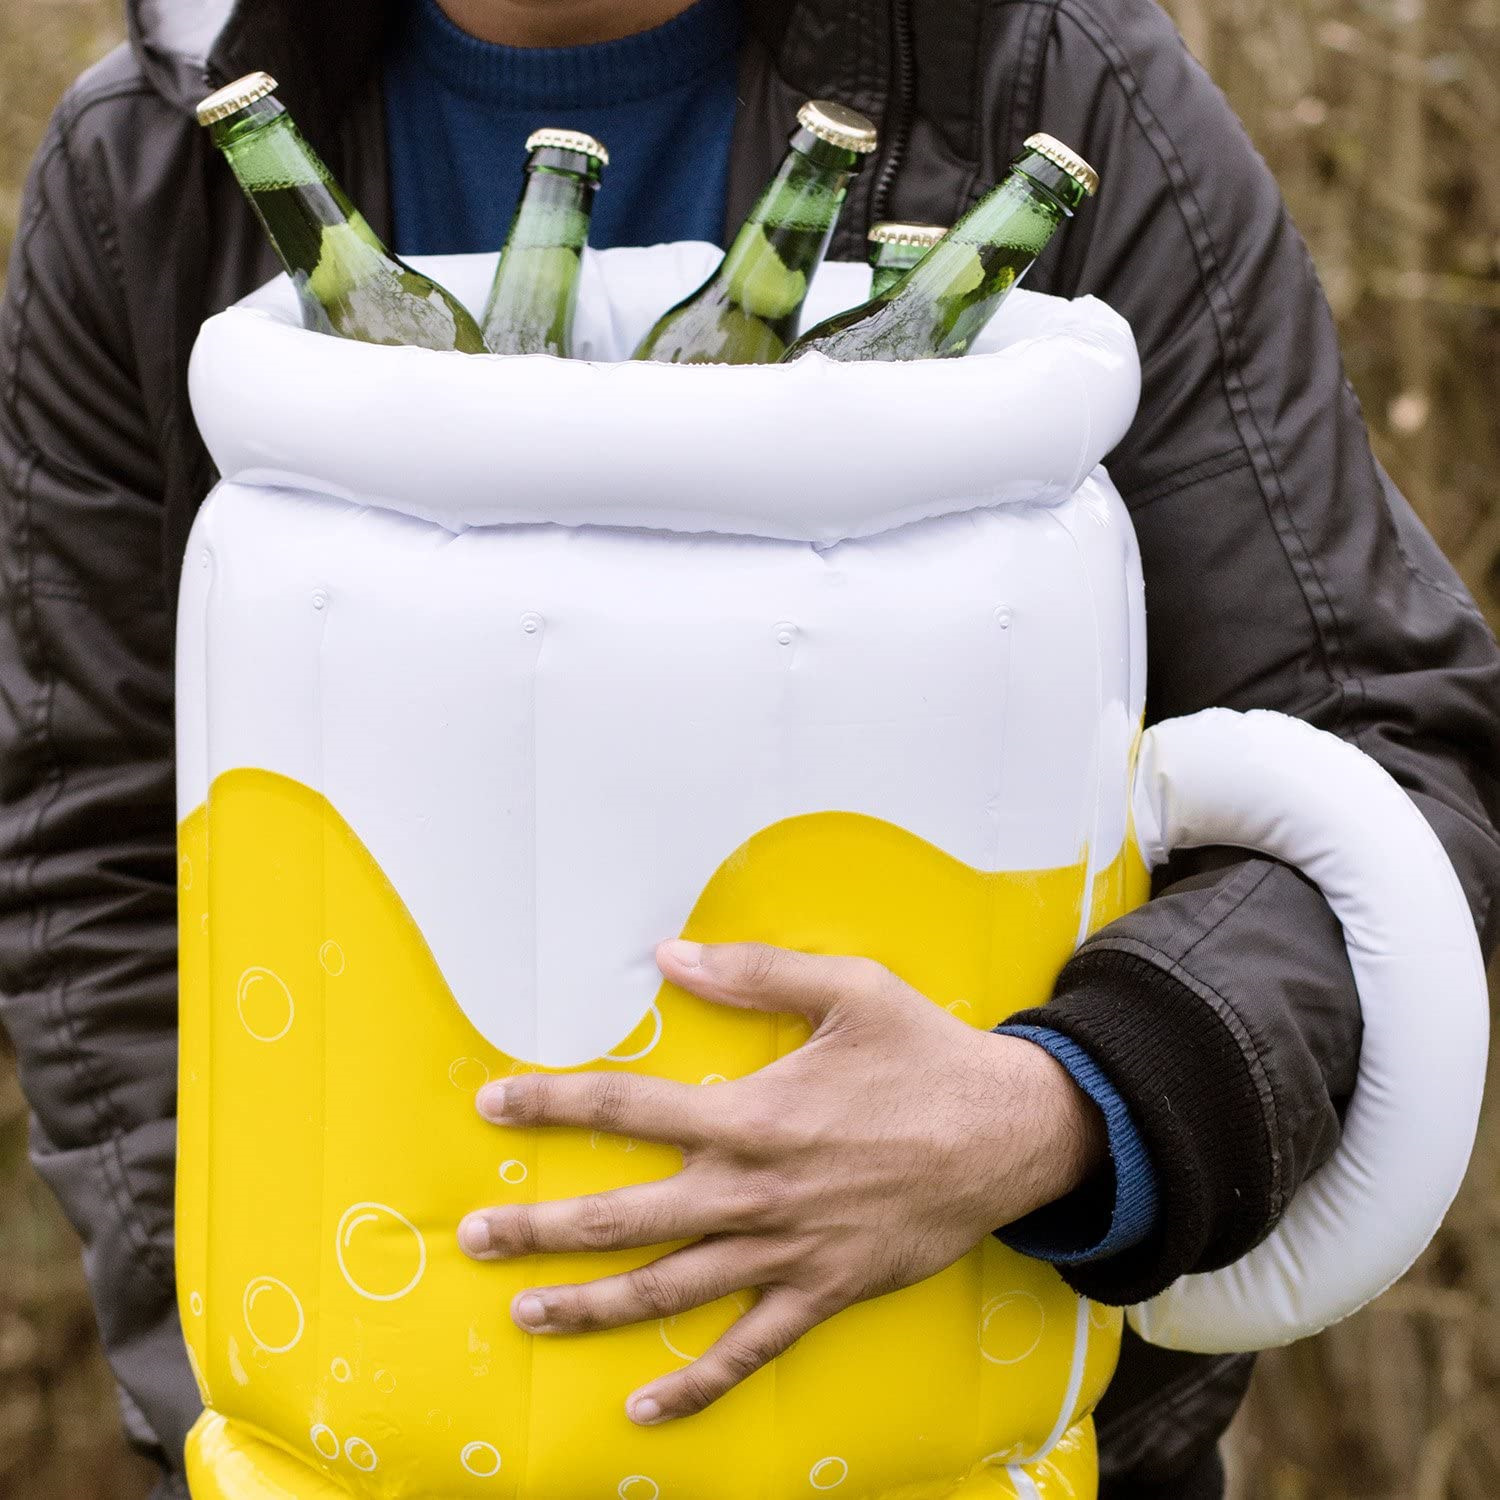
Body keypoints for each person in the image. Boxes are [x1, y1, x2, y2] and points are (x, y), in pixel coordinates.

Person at [2, 0, 1497, 1497]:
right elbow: (90, 845)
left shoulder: (1038, 78)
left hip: (968, 1439)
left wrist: (1061, 1105)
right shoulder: (150, 163)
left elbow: (1382, 751)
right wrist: (283, 1367)